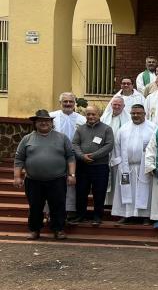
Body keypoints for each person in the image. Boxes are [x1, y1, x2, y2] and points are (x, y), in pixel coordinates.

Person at [14, 110, 76, 240]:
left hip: (57, 179)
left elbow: (70, 157)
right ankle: (34, 230)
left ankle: (58, 230)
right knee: (35, 206)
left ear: (51, 122)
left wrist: (72, 174)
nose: (44, 123)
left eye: (46, 120)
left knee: (58, 206)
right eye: (40, 121)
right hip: (33, 180)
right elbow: (19, 159)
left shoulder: (62, 138)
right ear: (35, 123)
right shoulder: (27, 139)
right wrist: (17, 177)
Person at [111, 104, 156, 224]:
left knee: (145, 190)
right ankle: (127, 214)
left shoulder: (152, 128)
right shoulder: (123, 129)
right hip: (127, 167)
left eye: (139, 113)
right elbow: (117, 147)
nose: (136, 115)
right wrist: (119, 163)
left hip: (144, 167)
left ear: (144, 114)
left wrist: (152, 165)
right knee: (126, 190)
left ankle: (145, 216)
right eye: (133, 113)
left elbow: (155, 148)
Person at [70, 106, 114, 226]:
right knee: (81, 191)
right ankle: (80, 215)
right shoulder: (80, 129)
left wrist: (93, 156)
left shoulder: (107, 129)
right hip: (82, 166)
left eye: (93, 114)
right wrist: (82, 156)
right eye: (88, 114)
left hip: (100, 166)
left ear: (99, 114)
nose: (90, 117)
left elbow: (109, 146)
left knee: (99, 192)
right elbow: (74, 144)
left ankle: (97, 216)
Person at [51, 92, 86, 215]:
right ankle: (50, 211)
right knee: (53, 184)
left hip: (75, 157)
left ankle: (70, 211)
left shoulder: (82, 119)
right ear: (60, 103)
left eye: (71, 101)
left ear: (74, 103)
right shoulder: (51, 117)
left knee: (72, 183)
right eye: (65, 101)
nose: (68, 104)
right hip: (55, 156)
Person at [101, 96, 130, 206]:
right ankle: (107, 202)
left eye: (119, 105)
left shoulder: (128, 119)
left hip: (120, 152)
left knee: (118, 176)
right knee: (107, 177)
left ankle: (117, 202)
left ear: (124, 106)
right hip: (106, 151)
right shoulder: (105, 117)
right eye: (114, 104)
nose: (116, 106)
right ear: (111, 105)